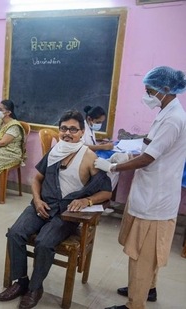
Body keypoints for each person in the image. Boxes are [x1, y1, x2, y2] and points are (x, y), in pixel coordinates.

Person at [0, 110, 112, 309]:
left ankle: (35, 288)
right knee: (15, 233)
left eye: (73, 129)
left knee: (44, 242)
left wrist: (87, 202)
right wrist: (37, 200)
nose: (68, 133)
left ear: (82, 132)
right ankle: (21, 281)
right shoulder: (56, 151)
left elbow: (106, 192)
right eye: (64, 128)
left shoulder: (89, 157)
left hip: (66, 212)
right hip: (43, 204)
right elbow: (37, 179)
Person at [98, 66, 186, 309]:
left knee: (143, 254)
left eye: (149, 91)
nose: (146, 95)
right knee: (148, 251)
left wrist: (113, 167)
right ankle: (149, 288)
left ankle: (134, 304)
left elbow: (148, 158)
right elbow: (153, 143)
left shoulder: (174, 119)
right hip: (151, 191)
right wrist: (138, 143)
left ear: (165, 90)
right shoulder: (167, 111)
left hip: (155, 199)